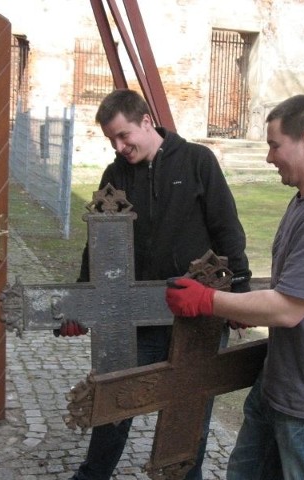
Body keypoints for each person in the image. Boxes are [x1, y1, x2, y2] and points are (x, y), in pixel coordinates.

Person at [165, 94, 304, 480]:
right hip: (282, 382)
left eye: (274, 145)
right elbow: (294, 286)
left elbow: (287, 308)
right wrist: (238, 305)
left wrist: (208, 300)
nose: (269, 157)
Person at [58, 88, 252, 480]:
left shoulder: (198, 162)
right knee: (117, 399)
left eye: (123, 135)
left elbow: (227, 230)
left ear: (146, 122)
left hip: (196, 316)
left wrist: (240, 291)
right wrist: (84, 301)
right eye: (111, 139)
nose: (119, 146)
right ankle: (92, 475)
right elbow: (98, 242)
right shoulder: (115, 174)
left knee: (190, 413)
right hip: (137, 317)